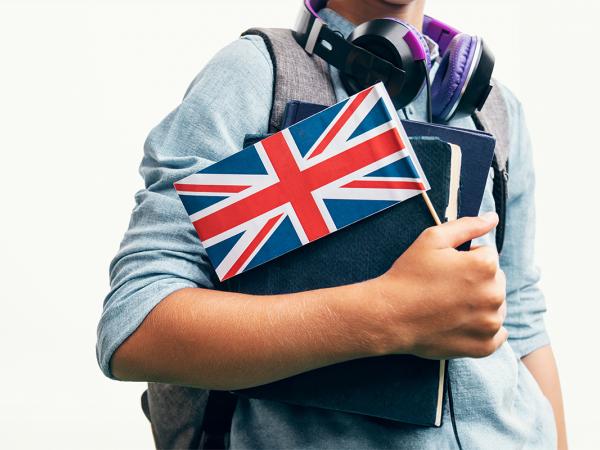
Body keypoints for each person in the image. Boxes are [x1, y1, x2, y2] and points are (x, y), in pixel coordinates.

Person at [97, 0, 567, 448]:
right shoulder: (256, 78)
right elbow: (137, 323)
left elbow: (522, 315)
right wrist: (385, 314)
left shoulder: (494, 106)